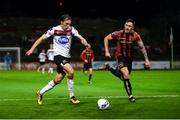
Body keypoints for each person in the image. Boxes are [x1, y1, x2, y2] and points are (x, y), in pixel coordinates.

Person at [26, 14, 91, 105]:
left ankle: (40, 93)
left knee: (58, 80)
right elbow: (41, 39)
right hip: (58, 56)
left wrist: (85, 42)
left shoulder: (71, 29)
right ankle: (72, 97)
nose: (68, 25)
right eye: (66, 23)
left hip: (67, 57)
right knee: (71, 72)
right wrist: (32, 49)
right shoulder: (54, 29)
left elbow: (81, 38)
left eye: (69, 23)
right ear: (61, 22)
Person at [104, 19, 150, 102]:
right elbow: (106, 38)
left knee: (124, 77)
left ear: (133, 28)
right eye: (126, 25)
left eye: (129, 26)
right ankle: (130, 96)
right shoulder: (118, 33)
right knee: (125, 73)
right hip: (120, 56)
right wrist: (107, 51)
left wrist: (146, 60)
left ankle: (109, 68)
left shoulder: (136, 35)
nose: (127, 27)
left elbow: (142, 47)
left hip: (130, 58)